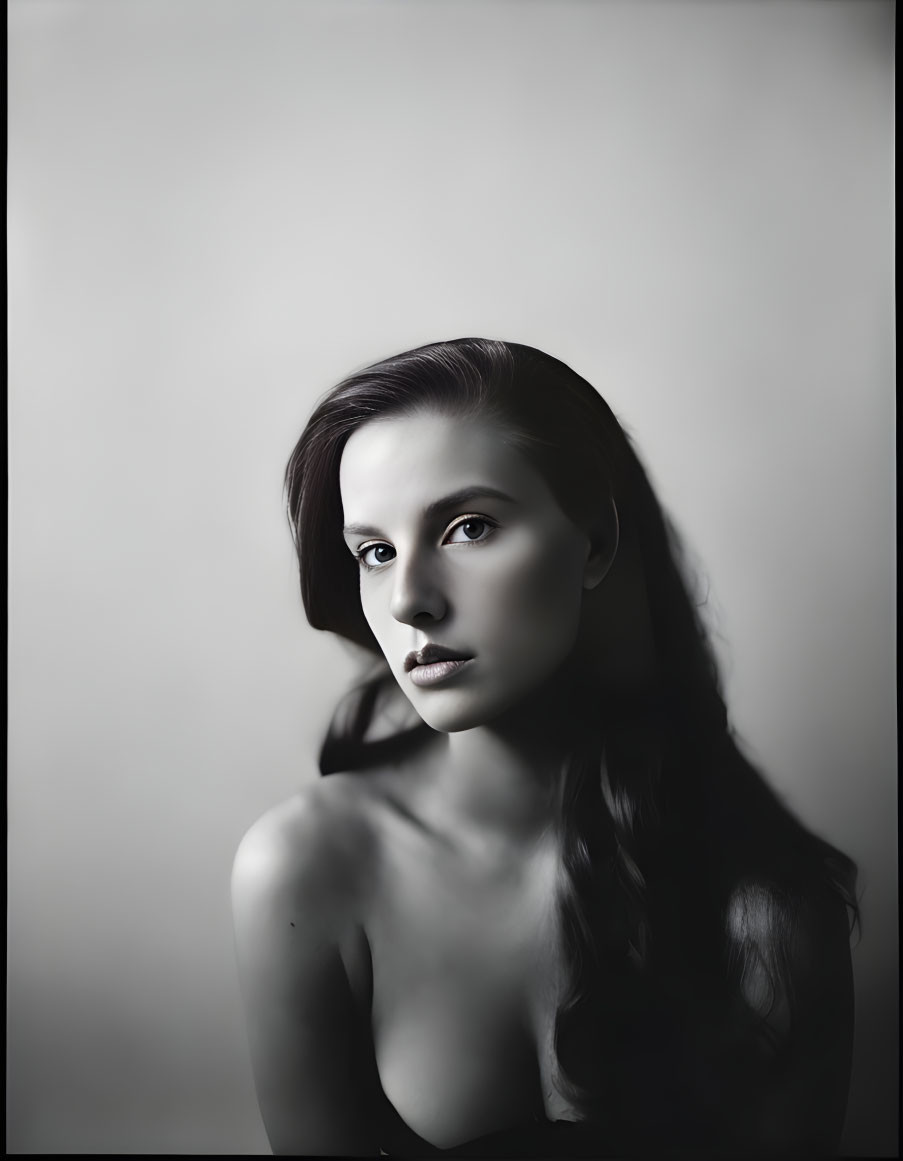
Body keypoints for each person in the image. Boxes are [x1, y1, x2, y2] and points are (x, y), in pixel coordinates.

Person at [231, 338, 859, 1157]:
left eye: (467, 526)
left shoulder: (766, 914)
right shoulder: (307, 871)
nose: (410, 600)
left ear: (593, 541)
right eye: (374, 552)